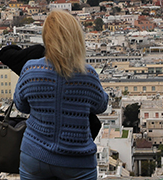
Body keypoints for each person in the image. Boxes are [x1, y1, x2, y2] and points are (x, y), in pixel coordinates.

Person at [13, 10, 109, 180]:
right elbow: (101, 106)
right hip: (77, 160)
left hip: (35, 155)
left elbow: (21, 105)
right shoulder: (87, 74)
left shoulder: (30, 69)